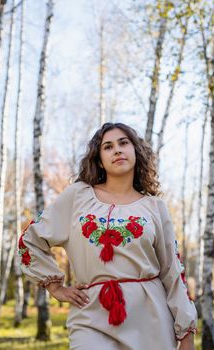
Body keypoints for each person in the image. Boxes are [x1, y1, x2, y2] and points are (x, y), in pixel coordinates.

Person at [18, 122, 197, 350]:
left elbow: (172, 270)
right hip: (91, 314)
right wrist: (55, 287)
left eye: (124, 143)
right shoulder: (78, 196)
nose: (118, 150)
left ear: (136, 151)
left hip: (150, 318)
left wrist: (186, 331)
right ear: (100, 159)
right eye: (108, 147)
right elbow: (31, 238)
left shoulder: (154, 207)